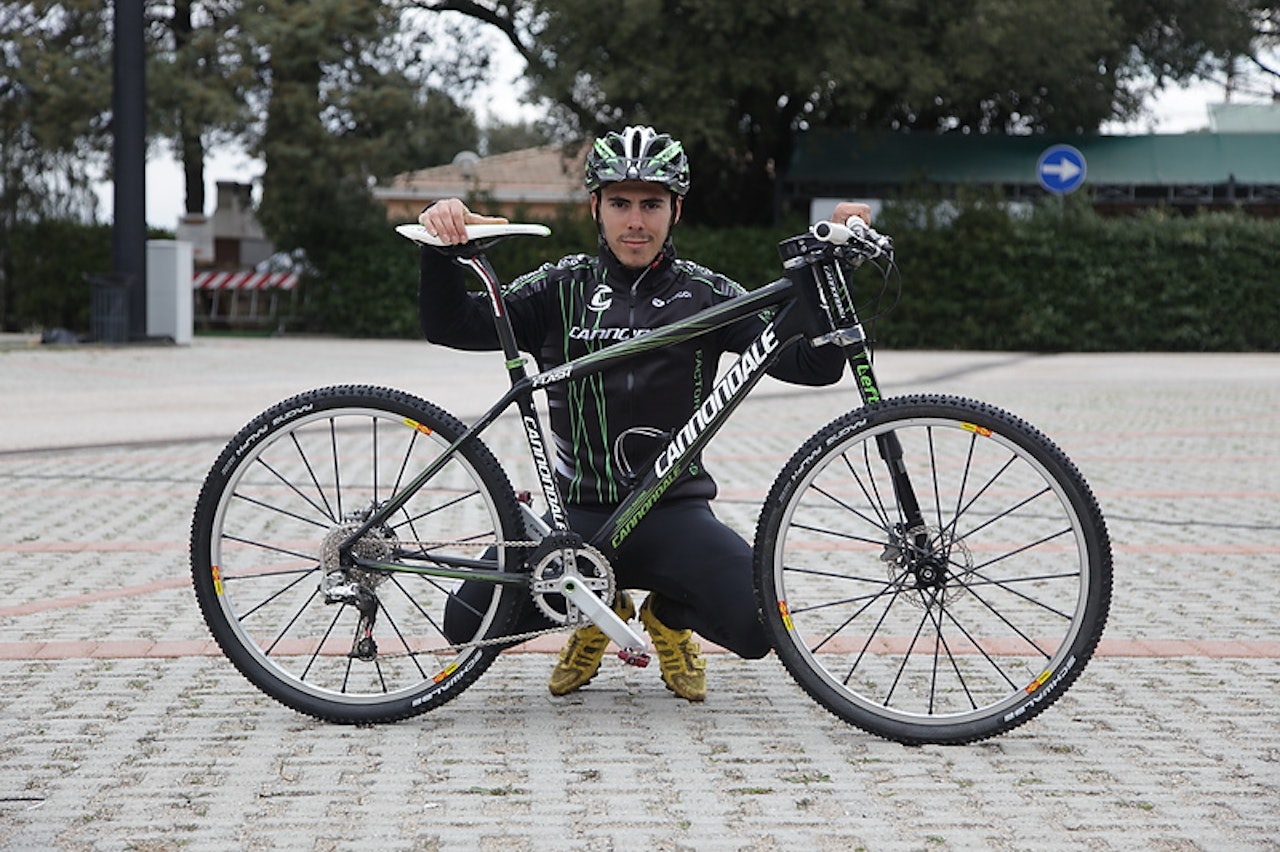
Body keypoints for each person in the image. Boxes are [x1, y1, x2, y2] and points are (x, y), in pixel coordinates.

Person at [418, 125, 871, 702]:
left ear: (676, 209)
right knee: (464, 626)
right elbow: (450, 325)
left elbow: (813, 367)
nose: (636, 221)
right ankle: (594, 609)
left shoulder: (706, 294)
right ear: (596, 207)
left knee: (760, 624)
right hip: (574, 519)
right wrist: (438, 241)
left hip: (673, 515)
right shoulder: (560, 287)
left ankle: (666, 619)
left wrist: (837, 274)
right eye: (621, 203)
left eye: (652, 204)